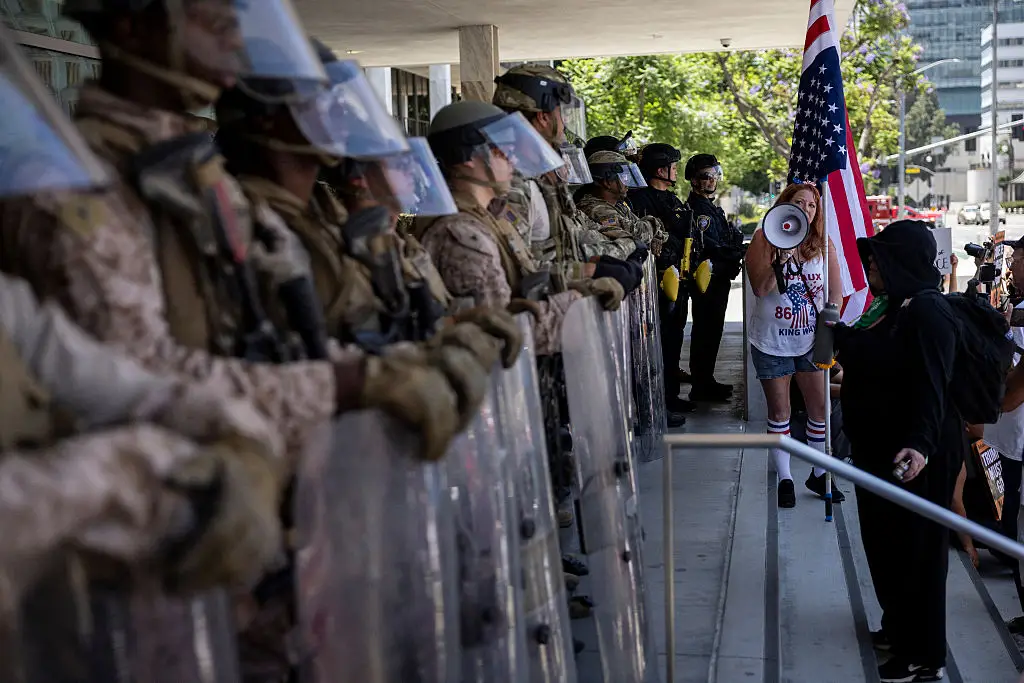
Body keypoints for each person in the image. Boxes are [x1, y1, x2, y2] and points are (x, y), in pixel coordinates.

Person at [835, 219, 960, 682]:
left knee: (918, 555)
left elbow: (933, 387)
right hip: (882, 451)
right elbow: (877, 355)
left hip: (917, 455)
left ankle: (923, 655)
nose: (871, 264)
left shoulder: (929, 312)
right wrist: (841, 335)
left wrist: (921, 445)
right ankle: (898, 628)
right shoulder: (892, 307)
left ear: (901, 261)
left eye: (878, 257)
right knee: (886, 545)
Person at [414, 100, 625, 356]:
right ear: (468, 157)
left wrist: (584, 280)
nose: (513, 159)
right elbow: (506, 334)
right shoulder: (461, 235)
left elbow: (524, 284)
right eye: (501, 150)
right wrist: (580, 304)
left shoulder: (492, 219)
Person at [492, 64, 642, 294]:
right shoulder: (509, 183)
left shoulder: (539, 178)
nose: (564, 124)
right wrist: (591, 274)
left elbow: (566, 244)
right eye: (560, 113)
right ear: (543, 117)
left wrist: (619, 249)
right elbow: (517, 273)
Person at [746, 183, 844, 508]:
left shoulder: (822, 243)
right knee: (780, 411)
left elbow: (834, 296)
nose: (806, 209)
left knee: (819, 410)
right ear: (784, 205)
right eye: (799, 202)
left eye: (812, 205)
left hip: (811, 342)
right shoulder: (764, 238)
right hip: (772, 342)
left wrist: (828, 340)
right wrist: (781, 257)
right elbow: (760, 289)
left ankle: (819, 474)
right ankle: (785, 478)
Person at [629, 142, 697, 417]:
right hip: (654, 282)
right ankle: (657, 402)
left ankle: (670, 396)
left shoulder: (671, 199)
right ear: (660, 169)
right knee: (655, 344)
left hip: (678, 279)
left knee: (674, 340)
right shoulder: (640, 200)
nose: (676, 171)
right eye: (672, 167)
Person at [682, 153, 744, 402]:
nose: (711, 180)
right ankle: (701, 384)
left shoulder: (709, 207)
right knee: (706, 331)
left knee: (713, 330)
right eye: (705, 177)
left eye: (714, 175)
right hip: (709, 279)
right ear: (694, 181)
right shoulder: (700, 210)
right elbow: (709, 245)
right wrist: (733, 253)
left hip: (717, 277)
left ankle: (706, 380)